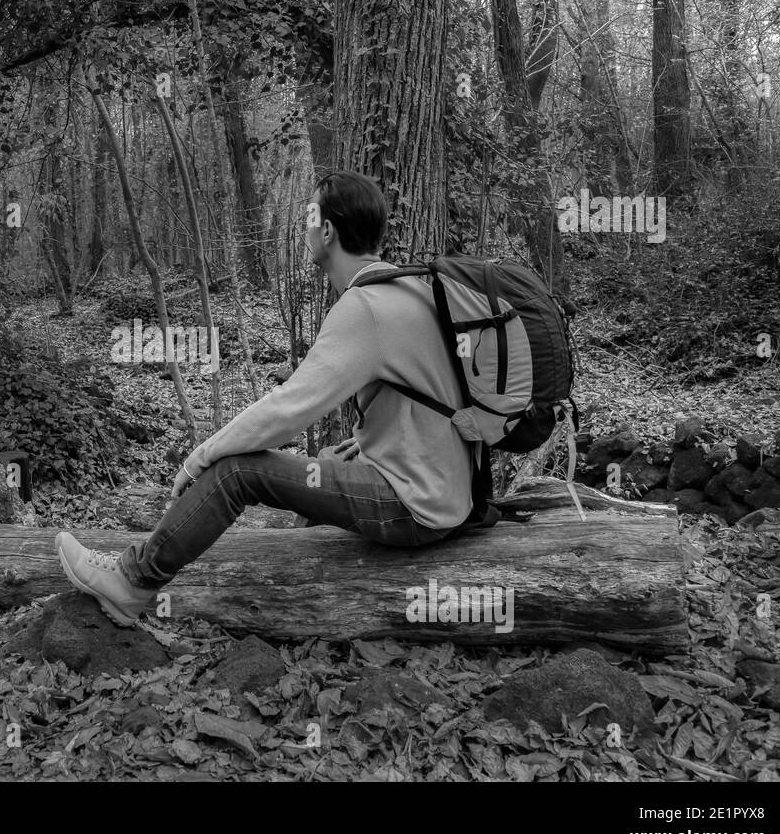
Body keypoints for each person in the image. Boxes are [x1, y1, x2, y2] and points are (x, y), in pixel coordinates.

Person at [56, 170, 474, 626]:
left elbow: (288, 410)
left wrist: (200, 457)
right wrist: (378, 442)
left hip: (416, 506)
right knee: (325, 458)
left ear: (328, 230)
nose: (305, 228)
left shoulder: (365, 308)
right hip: (446, 493)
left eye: (309, 216)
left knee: (237, 471)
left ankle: (131, 582)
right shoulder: (409, 288)